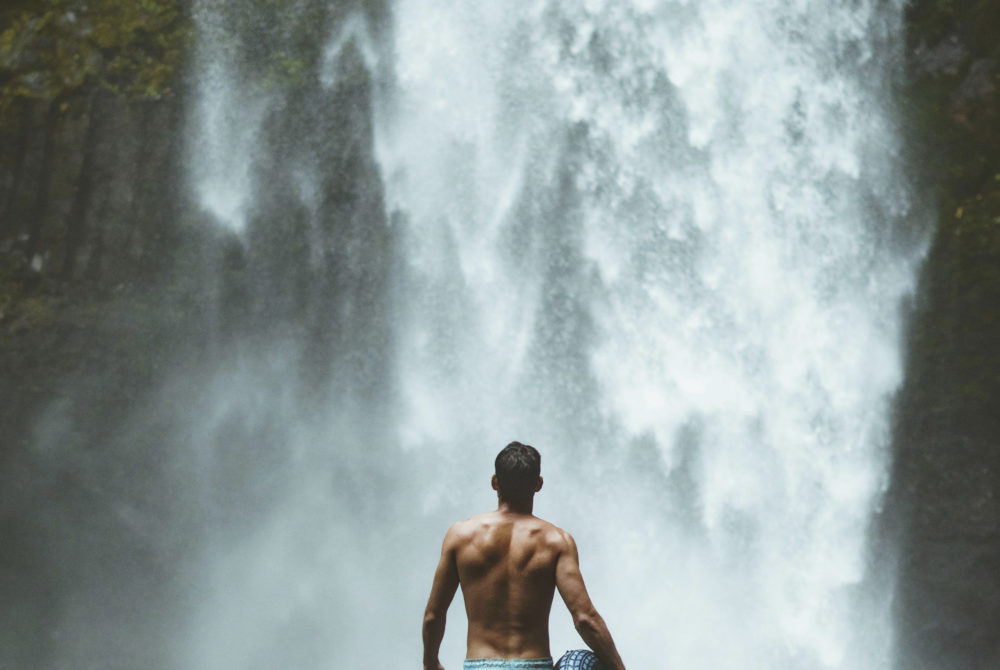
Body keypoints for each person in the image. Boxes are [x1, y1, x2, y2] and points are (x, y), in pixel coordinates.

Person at [422, 441, 626, 670]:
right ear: (538, 484)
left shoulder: (459, 536)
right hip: (534, 665)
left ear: (494, 482)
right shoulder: (556, 541)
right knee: (581, 662)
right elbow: (585, 619)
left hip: (478, 665)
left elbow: (434, 615)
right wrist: (619, 667)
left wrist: (430, 663)